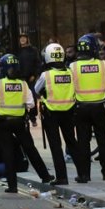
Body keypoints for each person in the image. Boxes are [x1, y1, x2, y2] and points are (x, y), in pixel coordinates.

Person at [0, 53, 52, 193]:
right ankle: (45, 176)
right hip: (19, 122)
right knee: (30, 149)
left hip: (4, 123)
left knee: (8, 154)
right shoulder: (23, 84)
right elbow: (31, 104)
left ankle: (12, 186)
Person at [70, 35, 105, 183]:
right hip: (99, 106)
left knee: (83, 142)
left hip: (81, 107)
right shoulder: (103, 64)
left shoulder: (73, 66)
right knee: (102, 140)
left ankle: (84, 175)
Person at [34, 43, 76, 185]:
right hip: (69, 111)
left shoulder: (46, 75)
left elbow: (36, 89)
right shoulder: (70, 72)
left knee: (56, 146)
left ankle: (62, 177)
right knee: (72, 142)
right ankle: (83, 173)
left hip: (51, 112)